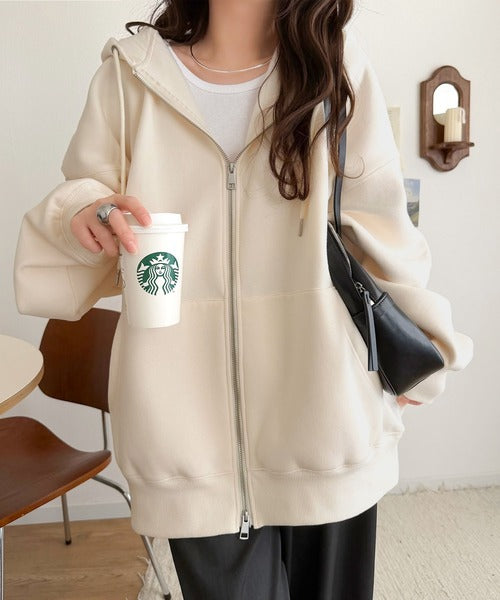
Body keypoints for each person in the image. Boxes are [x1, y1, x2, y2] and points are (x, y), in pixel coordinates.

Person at [13, 1, 474, 598]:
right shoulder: (131, 75)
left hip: (325, 407)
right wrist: (85, 210)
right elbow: (86, 190)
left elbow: (380, 228)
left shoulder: (335, 68)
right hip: (185, 433)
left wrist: (423, 349)